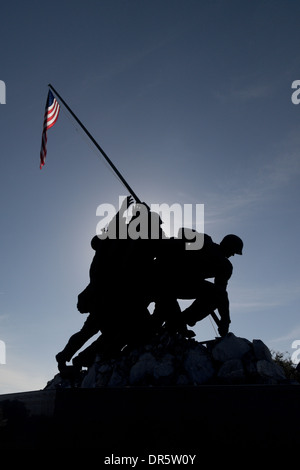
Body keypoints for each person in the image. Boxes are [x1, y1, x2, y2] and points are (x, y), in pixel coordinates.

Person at [55, 196, 135, 371]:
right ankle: (78, 358)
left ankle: (70, 356)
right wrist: (124, 211)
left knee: (90, 332)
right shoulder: (104, 256)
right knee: (107, 332)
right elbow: (117, 228)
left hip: (102, 300)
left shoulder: (101, 257)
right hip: (104, 301)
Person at [152, 232, 243, 337]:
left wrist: (225, 320)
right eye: (233, 251)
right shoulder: (204, 241)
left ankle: (180, 321)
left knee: (216, 296)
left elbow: (221, 293)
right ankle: (174, 324)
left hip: (183, 285)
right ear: (227, 246)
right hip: (162, 278)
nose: (232, 255)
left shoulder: (225, 267)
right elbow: (178, 236)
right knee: (160, 312)